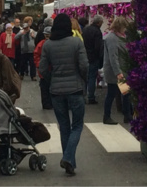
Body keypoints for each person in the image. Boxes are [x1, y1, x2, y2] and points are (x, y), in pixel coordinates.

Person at [39, 13, 88, 176]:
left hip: (56, 90)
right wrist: (83, 79)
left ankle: (70, 162)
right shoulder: (76, 42)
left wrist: (52, 79)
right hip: (75, 88)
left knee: (64, 127)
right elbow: (84, 65)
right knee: (77, 125)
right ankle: (68, 158)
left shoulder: (48, 45)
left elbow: (43, 69)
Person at [102, 16, 133, 125]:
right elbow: (113, 57)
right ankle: (107, 116)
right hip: (116, 72)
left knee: (125, 94)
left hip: (121, 71)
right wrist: (118, 73)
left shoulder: (120, 36)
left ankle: (127, 115)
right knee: (112, 94)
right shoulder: (112, 38)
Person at [82, 15, 104, 105]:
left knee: (85, 77)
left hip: (85, 55)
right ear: (99, 23)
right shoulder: (97, 32)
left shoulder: (86, 29)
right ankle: (91, 97)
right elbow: (98, 46)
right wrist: (100, 57)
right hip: (93, 57)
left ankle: (83, 96)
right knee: (92, 77)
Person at [33, 26, 53, 110]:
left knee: (49, 87)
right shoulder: (41, 44)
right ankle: (46, 103)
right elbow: (36, 55)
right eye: (46, 35)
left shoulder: (43, 43)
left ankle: (49, 103)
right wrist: (39, 65)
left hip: (50, 68)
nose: (47, 36)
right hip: (45, 69)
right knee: (45, 87)